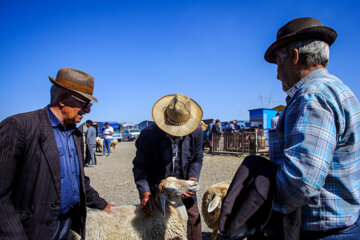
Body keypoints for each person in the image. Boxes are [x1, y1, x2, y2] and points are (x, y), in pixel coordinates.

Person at [265, 17, 360, 239]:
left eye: (278, 62)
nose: (276, 73)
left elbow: (301, 182)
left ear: (295, 57)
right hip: (345, 222)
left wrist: (259, 201)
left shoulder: (311, 97)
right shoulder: (340, 89)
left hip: (322, 230)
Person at [0, 68, 113, 239]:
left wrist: (102, 204)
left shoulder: (75, 134)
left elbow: (78, 180)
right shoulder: (20, 127)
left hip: (66, 226)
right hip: (31, 230)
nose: (88, 110)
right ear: (62, 100)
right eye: (84, 103)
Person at [133, 94, 203, 240]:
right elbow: (140, 166)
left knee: (192, 218)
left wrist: (192, 178)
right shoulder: (148, 135)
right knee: (155, 224)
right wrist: (145, 193)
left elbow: (197, 158)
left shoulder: (196, 132)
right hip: (157, 190)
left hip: (184, 189)